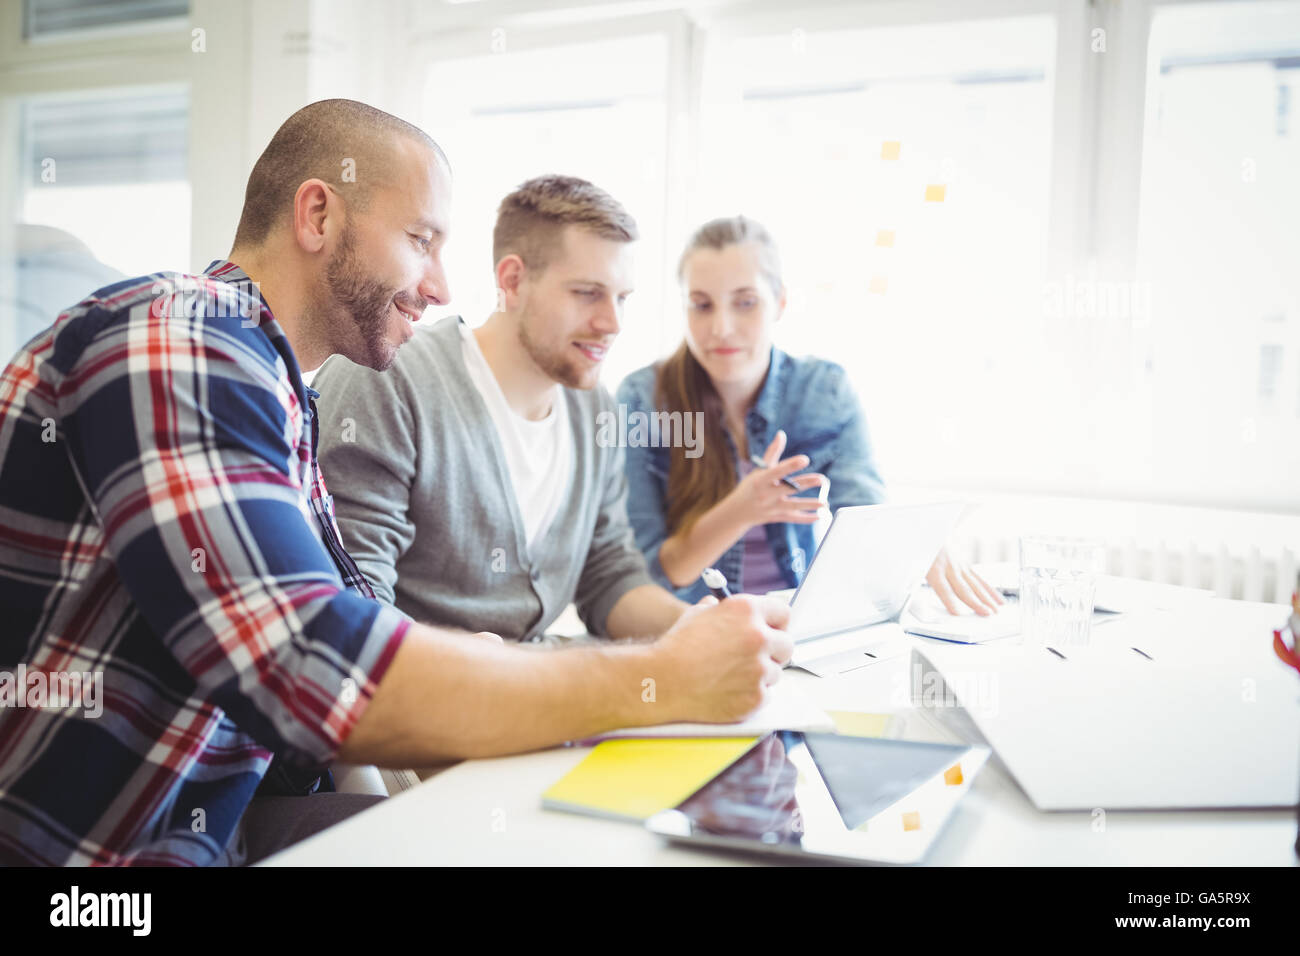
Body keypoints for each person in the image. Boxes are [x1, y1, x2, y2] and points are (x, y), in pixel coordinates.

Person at [0, 103, 791, 867]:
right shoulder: (179, 341)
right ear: (318, 217)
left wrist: (513, 674)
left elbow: (329, 636)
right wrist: (660, 681)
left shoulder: (277, 392)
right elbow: (316, 666)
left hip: (231, 816)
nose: (444, 287)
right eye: (422, 240)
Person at [315, 175, 689, 642]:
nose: (611, 323)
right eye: (587, 293)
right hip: (414, 702)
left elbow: (610, 576)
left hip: (529, 693)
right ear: (512, 281)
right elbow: (355, 603)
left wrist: (696, 627)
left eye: (622, 298)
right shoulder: (387, 381)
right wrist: (477, 668)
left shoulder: (597, 413)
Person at [616, 215, 1003, 615]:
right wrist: (740, 509)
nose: (722, 328)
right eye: (701, 305)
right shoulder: (641, 401)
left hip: (796, 627)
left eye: (745, 302)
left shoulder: (825, 392)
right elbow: (647, 577)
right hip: (690, 627)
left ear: (780, 303)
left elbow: (865, 513)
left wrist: (914, 541)